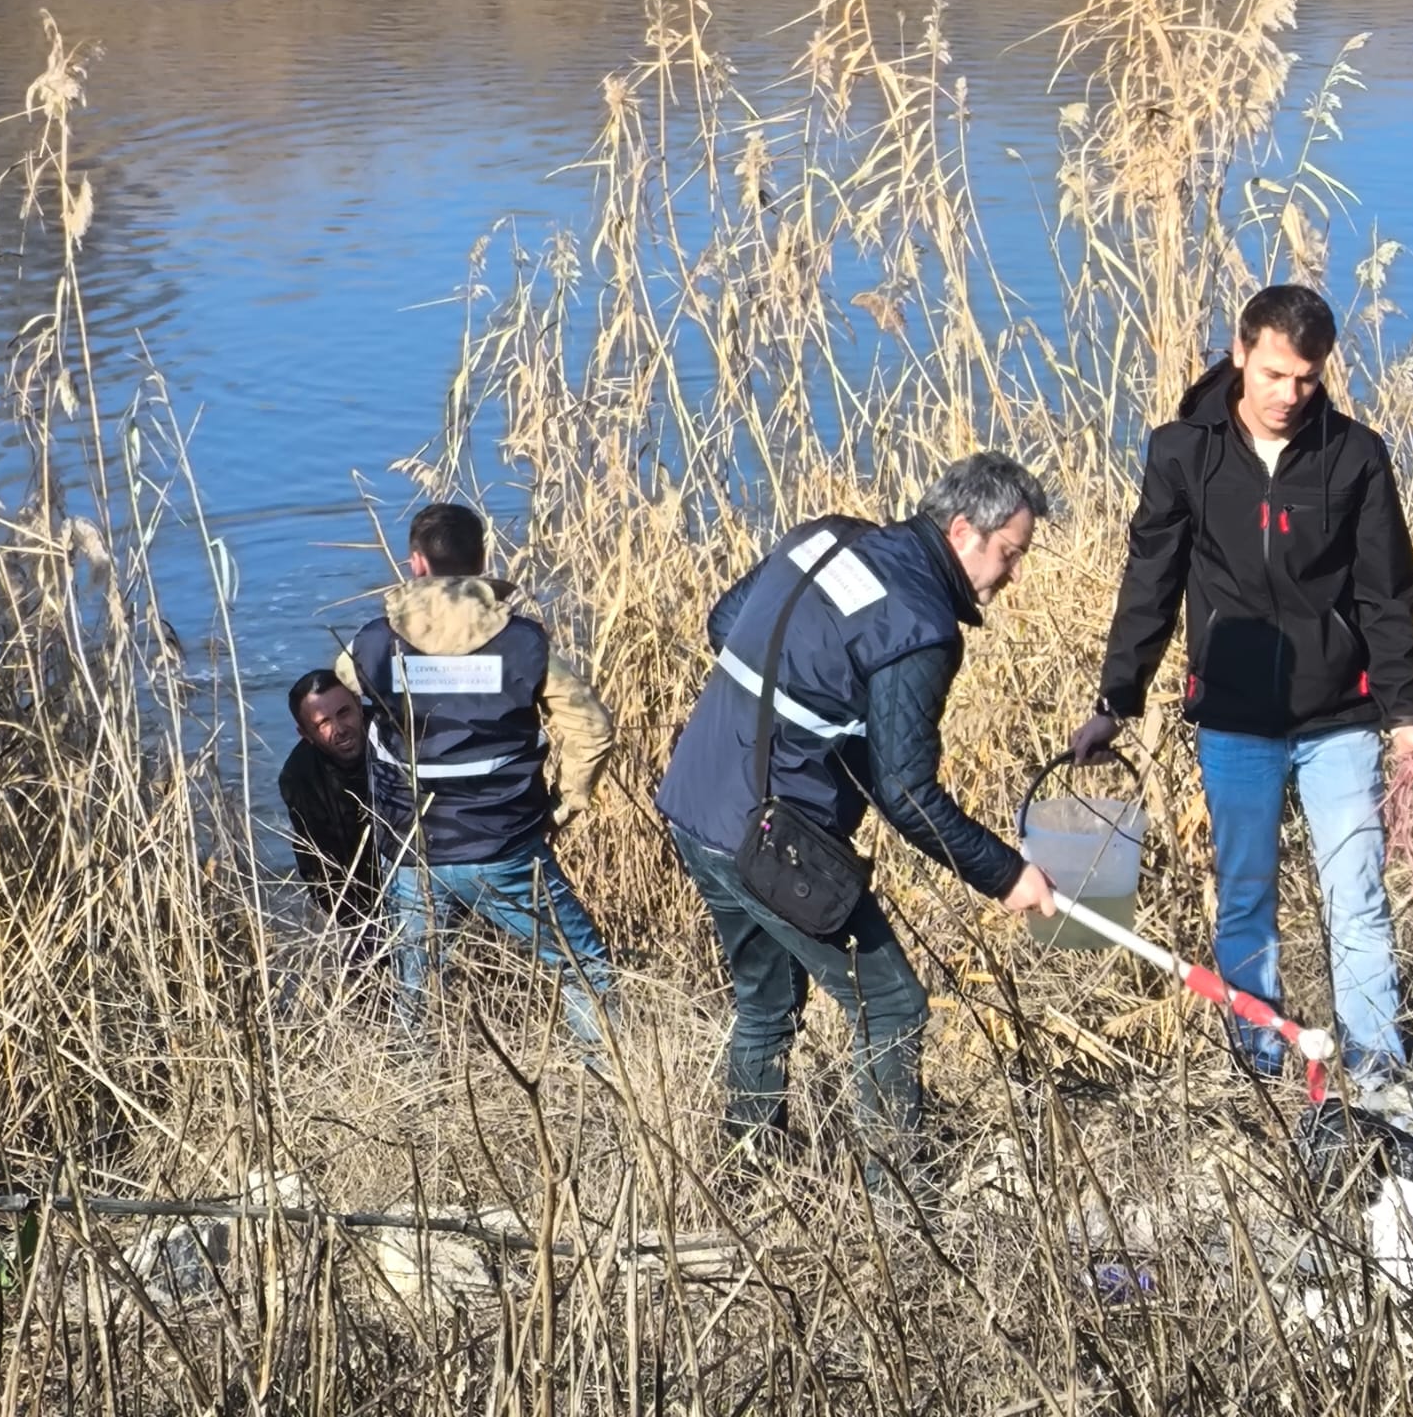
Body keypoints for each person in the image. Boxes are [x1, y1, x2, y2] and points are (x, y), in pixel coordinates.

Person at [1071, 283, 1413, 1083]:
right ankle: (1262, 1065)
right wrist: (1116, 700)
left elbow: (1386, 595)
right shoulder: (1181, 451)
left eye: (1306, 379)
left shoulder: (1354, 456)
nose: (1288, 395)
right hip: (1235, 718)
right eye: (1274, 373)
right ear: (1239, 353)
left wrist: (1406, 715)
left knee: (1358, 898)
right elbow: (1151, 581)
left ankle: (1376, 1073)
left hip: (1338, 717)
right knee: (1244, 896)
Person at [656, 452, 1056, 1180]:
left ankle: (747, 1184)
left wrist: (810, 718)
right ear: (964, 531)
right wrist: (1007, 876)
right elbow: (907, 796)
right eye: (1009, 554)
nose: (1011, 576)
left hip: (692, 804)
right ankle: (894, 1207)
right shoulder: (922, 625)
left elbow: (724, 623)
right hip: (768, 839)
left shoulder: (825, 536)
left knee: (766, 1000)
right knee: (891, 1005)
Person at [338, 502, 616, 1043]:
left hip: (413, 849)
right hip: (504, 847)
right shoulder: (523, 644)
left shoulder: (373, 643)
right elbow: (593, 729)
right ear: (483, 561)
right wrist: (565, 802)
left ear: (416, 564)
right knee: (585, 970)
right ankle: (608, 1086)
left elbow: (345, 679)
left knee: (415, 989)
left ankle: (410, 1097)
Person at [279, 669, 381, 936]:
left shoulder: (397, 736)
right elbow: (318, 870)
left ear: (360, 706)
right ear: (306, 734)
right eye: (322, 723)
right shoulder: (299, 776)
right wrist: (361, 926)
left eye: (344, 712)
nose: (339, 729)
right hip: (361, 893)